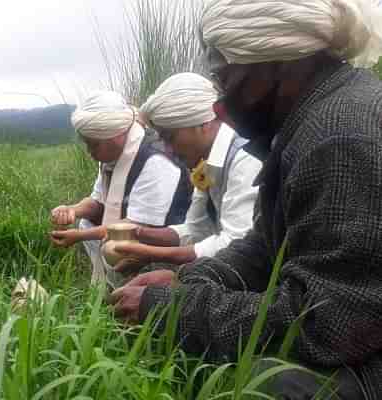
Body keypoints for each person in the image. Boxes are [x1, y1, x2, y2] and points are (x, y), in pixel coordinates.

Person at [110, 0, 382, 398]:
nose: (221, 103)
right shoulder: (315, 118)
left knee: (270, 381)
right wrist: (188, 282)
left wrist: (174, 312)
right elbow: (266, 246)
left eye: (223, 80)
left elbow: (328, 322)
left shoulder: (338, 136)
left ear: (275, 63)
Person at [109, 73, 261, 275]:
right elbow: (196, 230)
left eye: (170, 137)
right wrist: (138, 233)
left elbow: (235, 244)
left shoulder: (245, 159)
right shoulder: (206, 163)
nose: (169, 149)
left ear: (203, 124)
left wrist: (153, 254)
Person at [49, 91, 193, 290]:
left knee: (103, 238)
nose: (90, 153)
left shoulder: (155, 162)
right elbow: (97, 201)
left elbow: (132, 227)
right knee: (86, 222)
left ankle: (129, 292)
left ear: (115, 136)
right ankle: (106, 286)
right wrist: (72, 210)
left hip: (165, 244)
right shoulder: (112, 157)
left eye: (93, 145)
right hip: (133, 230)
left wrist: (78, 237)